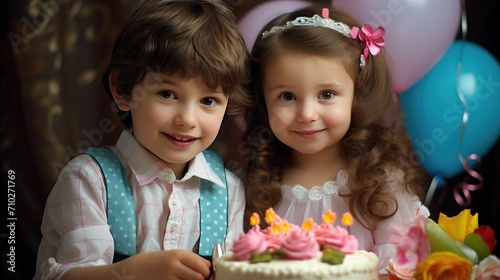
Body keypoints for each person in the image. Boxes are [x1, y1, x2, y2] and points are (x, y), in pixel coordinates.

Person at [34, 1, 250, 279]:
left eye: (208, 100)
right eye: (167, 94)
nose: (187, 119)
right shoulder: (89, 180)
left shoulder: (229, 191)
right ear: (123, 90)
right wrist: (129, 272)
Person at [242, 5, 430, 272]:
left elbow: (401, 270)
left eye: (327, 94)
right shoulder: (256, 185)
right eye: (287, 96)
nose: (307, 114)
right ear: (263, 99)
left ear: (357, 96)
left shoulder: (381, 188)